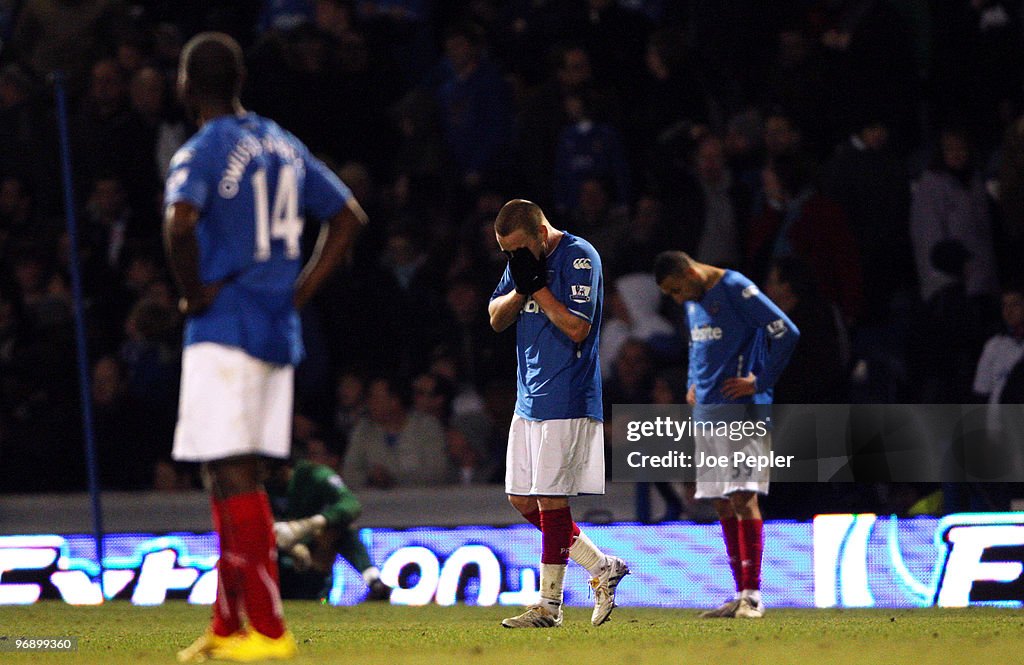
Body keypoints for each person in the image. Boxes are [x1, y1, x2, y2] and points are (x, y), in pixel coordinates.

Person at [165, 32, 367, 663]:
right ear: (240, 79)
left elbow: (180, 223)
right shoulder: (282, 142)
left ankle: (270, 630)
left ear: (186, 85)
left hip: (225, 329)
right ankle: (229, 626)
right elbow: (348, 216)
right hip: (277, 330)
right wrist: (300, 293)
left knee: (230, 472)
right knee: (227, 473)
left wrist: (193, 292)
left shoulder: (203, 148)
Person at [488, 199, 628, 629]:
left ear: (541, 232)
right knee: (520, 498)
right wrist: (520, 288)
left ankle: (549, 606)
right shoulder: (521, 262)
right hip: (528, 395)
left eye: (516, 250)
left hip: (567, 394)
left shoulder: (580, 256)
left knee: (551, 498)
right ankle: (601, 565)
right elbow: (495, 318)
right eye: (505, 252)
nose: (512, 258)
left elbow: (578, 327)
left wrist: (541, 290)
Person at [654, 250, 800, 619]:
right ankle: (738, 593)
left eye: (676, 290)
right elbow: (696, 347)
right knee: (720, 501)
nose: (678, 298)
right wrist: (691, 384)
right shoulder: (693, 301)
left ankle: (753, 595)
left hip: (742, 411)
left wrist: (759, 382)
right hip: (707, 413)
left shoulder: (735, 286)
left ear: (689, 272)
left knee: (742, 497)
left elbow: (786, 331)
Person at [267, 455, 391, 602]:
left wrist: (313, 524)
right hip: (271, 551)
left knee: (342, 528)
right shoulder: (249, 483)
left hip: (309, 550)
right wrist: (291, 549)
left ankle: (372, 579)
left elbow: (350, 504)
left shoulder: (312, 474)